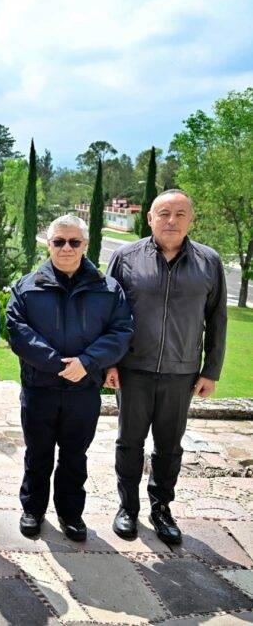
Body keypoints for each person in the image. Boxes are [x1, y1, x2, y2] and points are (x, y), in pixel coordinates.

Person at [106, 189, 227, 544]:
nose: (171, 220)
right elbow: (108, 313)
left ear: (191, 219)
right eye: (163, 213)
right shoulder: (125, 257)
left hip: (182, 372)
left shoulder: (209, 262)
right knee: (129, 442)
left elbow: (217, 319)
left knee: (170, 446)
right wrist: (110, 363)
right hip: (133, 370)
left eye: (179, 213)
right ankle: (127, 508)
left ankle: (161, 509)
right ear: (150, 218)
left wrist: (211, 370)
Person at [6, 215, 133, 541]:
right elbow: (18, 333)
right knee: (38, 454)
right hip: (40, 388)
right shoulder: (27, 287)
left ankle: (71, 515)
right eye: (59, 241)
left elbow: (121, 332)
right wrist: (59, 364)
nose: (66, 247)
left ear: (85, 245)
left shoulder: (107, 288)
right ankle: (33, 510)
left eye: (74, 242)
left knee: (75, 456)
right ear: (48, 244)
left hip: (83, 390)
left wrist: (86, 362)